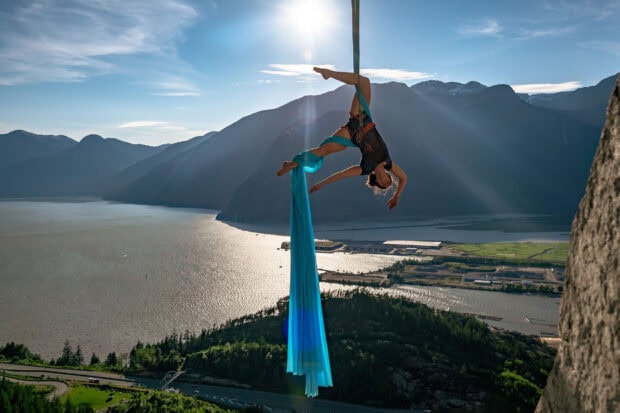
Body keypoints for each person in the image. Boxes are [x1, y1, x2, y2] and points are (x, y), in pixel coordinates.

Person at [277, 67, 407, 210]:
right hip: (363, 117)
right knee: (363, 81)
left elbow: (342, 175)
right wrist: (396, 196)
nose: (386, 183)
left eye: (382, 185)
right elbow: (403, 178)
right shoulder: (388, 163)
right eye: (388, 183)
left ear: (376, 180)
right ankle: (330, 74)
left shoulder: (365, 168)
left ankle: (294, 163)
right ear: (389, 177)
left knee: (324, 150)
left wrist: (322, 184)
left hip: (351, 133)